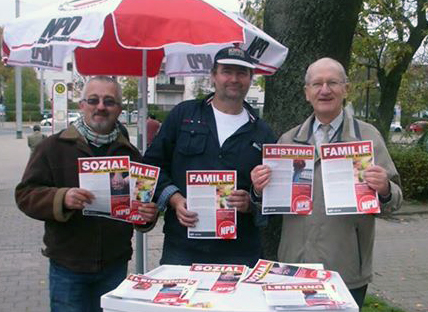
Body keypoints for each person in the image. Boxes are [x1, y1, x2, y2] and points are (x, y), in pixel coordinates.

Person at [250, 57, 402, 309]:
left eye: (332, 82)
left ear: (346, 89)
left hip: (346, 267)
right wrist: (258, 189)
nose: (324, 90)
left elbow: (395, 201)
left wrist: (384, 188)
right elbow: (269, 204)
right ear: (307, 93)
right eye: (317, 84)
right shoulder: (288, 140)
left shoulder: (367, 137)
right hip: (294, 266)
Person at [15, 76, 158, 312]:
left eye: (109, 101)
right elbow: (25, 195)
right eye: (93, 100)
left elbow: (143, 207)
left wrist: (147, 215)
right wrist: (62, 198)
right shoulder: (53, 147)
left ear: (119, 109)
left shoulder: (130, 154)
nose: (101, 106)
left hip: (115, 266)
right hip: (68, 268)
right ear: (82, 105)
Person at [143, 46, 276, 267]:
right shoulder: (183, 115)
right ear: (213, 75)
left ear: (251, 78)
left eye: (242, 72)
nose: (234, 78)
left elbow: (273, 195)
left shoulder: (263, 132)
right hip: (183, 246)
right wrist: (175, 200)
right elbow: (152, 166)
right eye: (227, 71)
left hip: (239, 250)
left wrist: (251, 201)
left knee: (235, 303)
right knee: (179, 303)